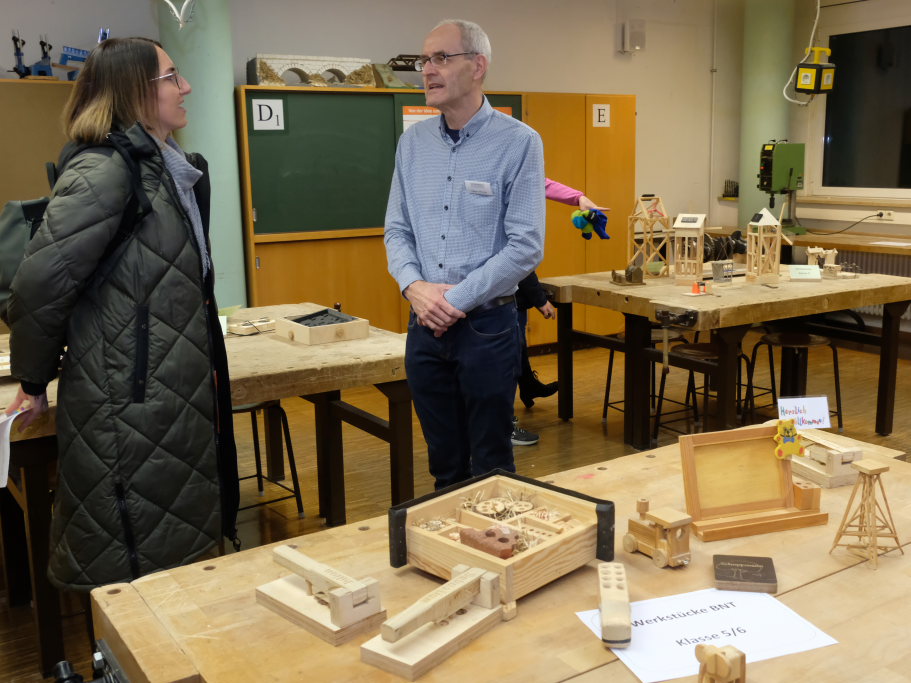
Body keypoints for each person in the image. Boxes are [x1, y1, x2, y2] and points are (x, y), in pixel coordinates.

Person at [3, 37, 238, 591]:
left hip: (164, 391)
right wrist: (34, 380)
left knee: (173, 552)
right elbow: (38, 285)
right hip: (130, 400)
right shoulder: (105, 170)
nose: (185, 87)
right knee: (135, 567)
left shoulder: (164, 166)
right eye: (172, 77)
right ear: (134, 91)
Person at [384, 19, 545, 489]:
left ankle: (496, 538)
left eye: (441, 58)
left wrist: (452, 301)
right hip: (423, 326)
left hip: (486, 328)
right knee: (444, 466)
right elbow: (396, 229)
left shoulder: (519, 142)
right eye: (424, 60)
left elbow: (526, 245)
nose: (427, 70)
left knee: (492, 466)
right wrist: (415, 288)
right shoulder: (412, 144)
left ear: (478, 67)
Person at [511, 180, 608, 446]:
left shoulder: (520, 180)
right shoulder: (511, 204)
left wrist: (578, 198)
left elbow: (543, 183)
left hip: (512, 301)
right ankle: (505, 424)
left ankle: (527, 386)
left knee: (515, 350)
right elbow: (520, 264)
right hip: (505, 302)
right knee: (507, 359)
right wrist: (540, 300)